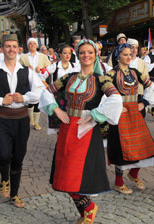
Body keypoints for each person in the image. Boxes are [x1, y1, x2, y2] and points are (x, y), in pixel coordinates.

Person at [39, 39, 122, 224]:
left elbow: (116, 99)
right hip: (67, 127)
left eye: (90, 52)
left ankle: (89, 208)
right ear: (78, 54)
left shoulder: (102, 79)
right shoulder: (69, 77)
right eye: (83, 52)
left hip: (85, 131)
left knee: (75, 174)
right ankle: (86, 209)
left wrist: (95, 115)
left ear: (95, 55)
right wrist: (56, 109)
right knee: (64, 173)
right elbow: (45, 90)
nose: (86, 55)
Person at [0, 34, 45, 208]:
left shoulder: (27, 71)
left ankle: (14, 194)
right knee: (4, 154)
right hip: (1, 119)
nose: (11, 49)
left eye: (14, 46)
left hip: (21, 119)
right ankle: (4, 177)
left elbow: (40, 92)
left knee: (18, 157)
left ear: (19, 49)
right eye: (7, 46)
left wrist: (25, 97)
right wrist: (0, 100)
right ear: (2, 49)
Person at [106, 43, 154, 194]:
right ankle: (119, 182)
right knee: (121, 148)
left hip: (134, 113)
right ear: (118, 56)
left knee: (143, 145)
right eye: (125, 54)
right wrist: (115, 106)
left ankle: (134, 174)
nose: (129, 57)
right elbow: (103, 93)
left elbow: (150, 85)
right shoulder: (111, 74)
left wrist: (144, 102)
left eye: (130, 54)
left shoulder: (135, 72)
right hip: (119, 115)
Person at [43, 44, 80, 134]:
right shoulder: (55, 66)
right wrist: (48, 87)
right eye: (65, 53)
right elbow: (40, 76)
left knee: (71, 124)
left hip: (71, 98)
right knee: (59, 125)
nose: (67, 55)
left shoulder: (75, 66)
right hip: (58, 98)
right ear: (60, 54)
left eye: (69, 53)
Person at [19, 37, 51, 130]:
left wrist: (41, 69)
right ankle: (31, 118)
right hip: (28, 82)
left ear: (37, 45)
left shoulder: (42, 56)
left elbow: (49, 67)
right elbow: (18, 68)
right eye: (30, 44)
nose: (32, 45)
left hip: (40, 82)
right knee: (29, 101)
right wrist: (25, 68)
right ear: (28, 46)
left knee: (38, 102)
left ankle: (36, 123)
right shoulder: (23, 57)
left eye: (34, 44)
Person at [127, 38, 150, 118]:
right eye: (132, 47)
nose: (134, 50)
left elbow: (147, 79)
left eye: (136, 47)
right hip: (126, 96)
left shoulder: (142, 62)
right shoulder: (123, 61)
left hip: (139, 95)